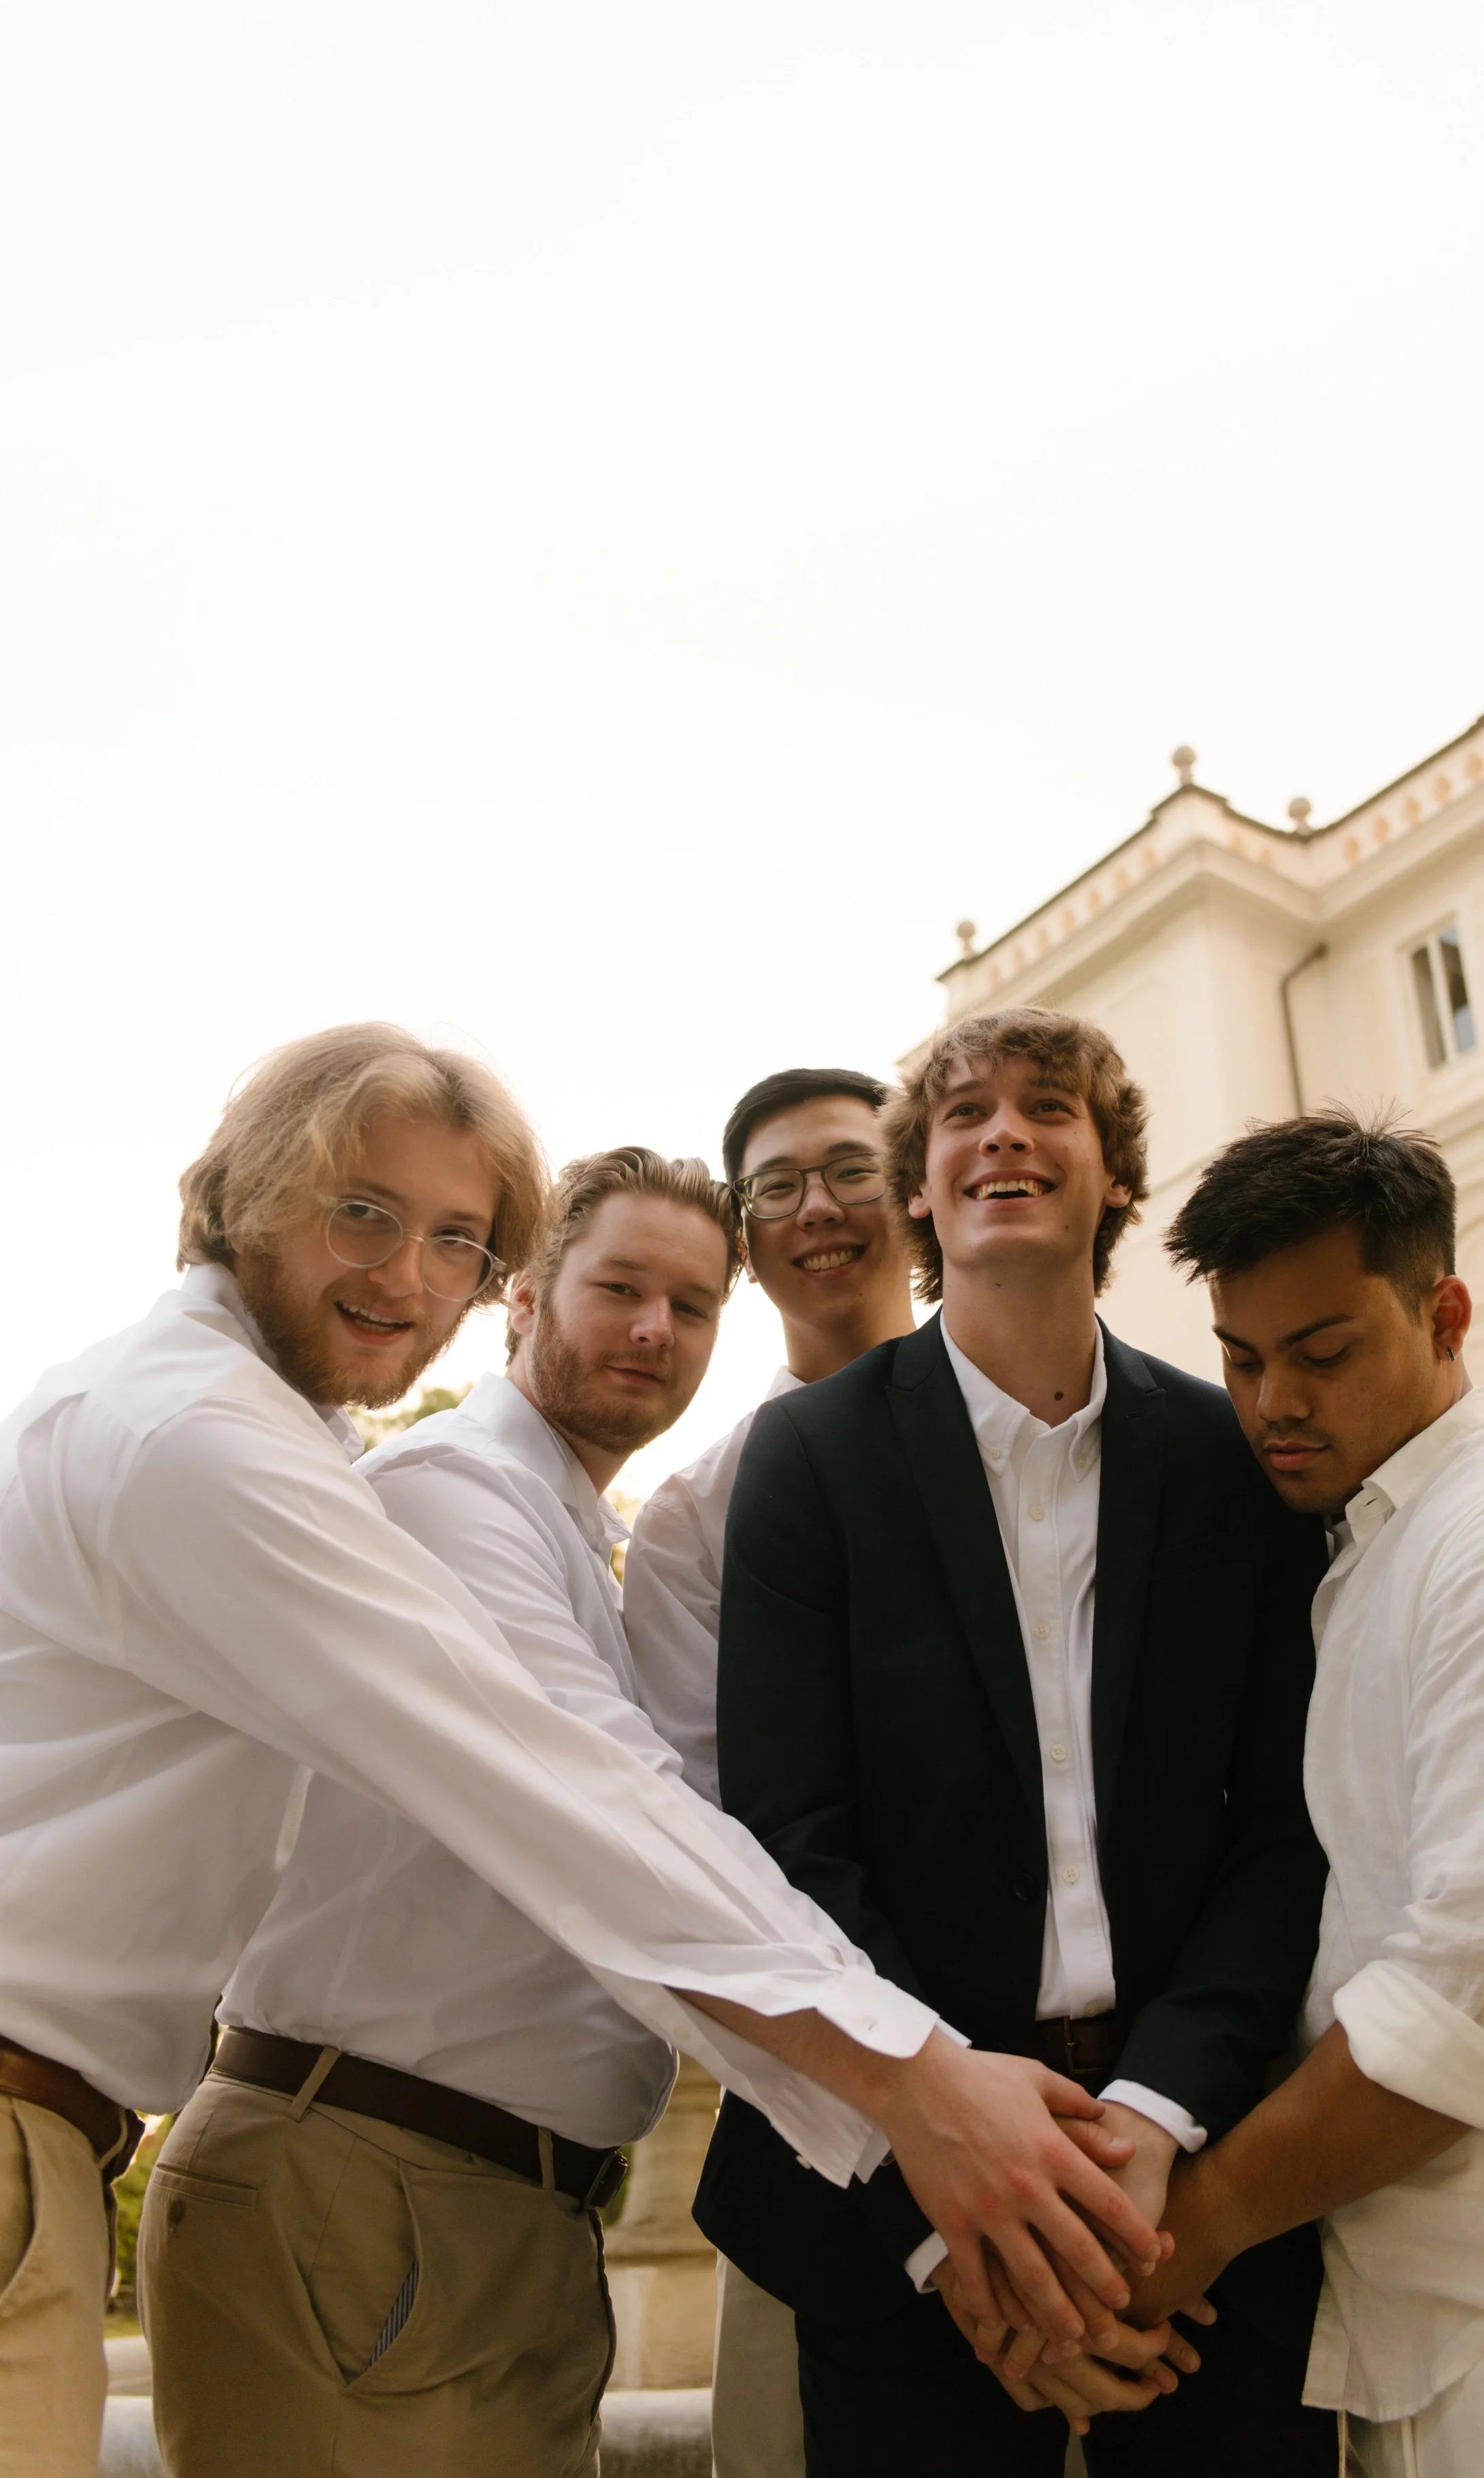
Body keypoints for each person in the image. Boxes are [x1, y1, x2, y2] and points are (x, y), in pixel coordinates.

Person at [0, 1025, 1164, 2478]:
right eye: (360, 1211)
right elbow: (570, 1799)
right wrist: (919, 2097)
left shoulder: (443, 1487)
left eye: (452, 1237)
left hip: (405, 2188)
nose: (405, 1275)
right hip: (347, 2179)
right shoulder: (298, 1463)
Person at [695, 1006, 1337, 2476]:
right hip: (894, 2204)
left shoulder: (1227, 1463)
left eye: (1047, 1108)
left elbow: (1282, 1832)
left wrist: (1154, 2116)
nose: (1002, 1134)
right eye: (962, 1114)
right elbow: (788, 1848)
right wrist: (955, 2204)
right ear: (918, 1188)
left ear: (1113, 1176)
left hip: (1185, 2166)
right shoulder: (807, 1461)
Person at [144, 1144, 788, 2475]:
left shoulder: (573, 1540)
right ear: (526, 1297)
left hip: (500, 2208)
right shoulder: (449, 1498)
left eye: (693, 1303)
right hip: (363, 2186)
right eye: (617, 1286)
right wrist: (921, 2099)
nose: (654, 1329)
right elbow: (620, 1826)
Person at [1125, 1108, 1484, 2476]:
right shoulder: (1382, 1544)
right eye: (1240, 1359)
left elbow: (1472, 2009)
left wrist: (1184, 2231)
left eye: (1320, 1355)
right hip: (1434, 2327)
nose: (1271, 1404)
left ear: (1442, 1311)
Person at [623, 1068, 917, 2478]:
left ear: (916, 1191)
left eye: (850, 1169)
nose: (816, 1210)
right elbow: (709, 1848)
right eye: (775, 1188)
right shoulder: (696, 1516)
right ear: (744, 1242)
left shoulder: (1067, 1439)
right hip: (826, 2138)